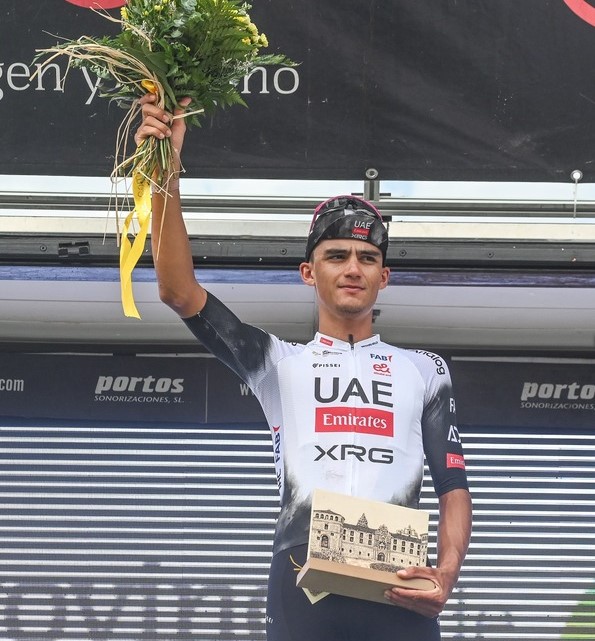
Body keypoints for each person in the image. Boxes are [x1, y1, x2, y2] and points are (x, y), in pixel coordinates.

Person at [135, 93, 472, 641]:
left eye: (367, 258)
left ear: (384, 277)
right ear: (308, 272)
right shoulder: (278, 362)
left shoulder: (425, 370)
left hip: (401, 582)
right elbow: (178, 291)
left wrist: (447, 575)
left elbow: (453, 485)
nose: (353, 268)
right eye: (336, 256)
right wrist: (164, 171)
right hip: (301, 580)